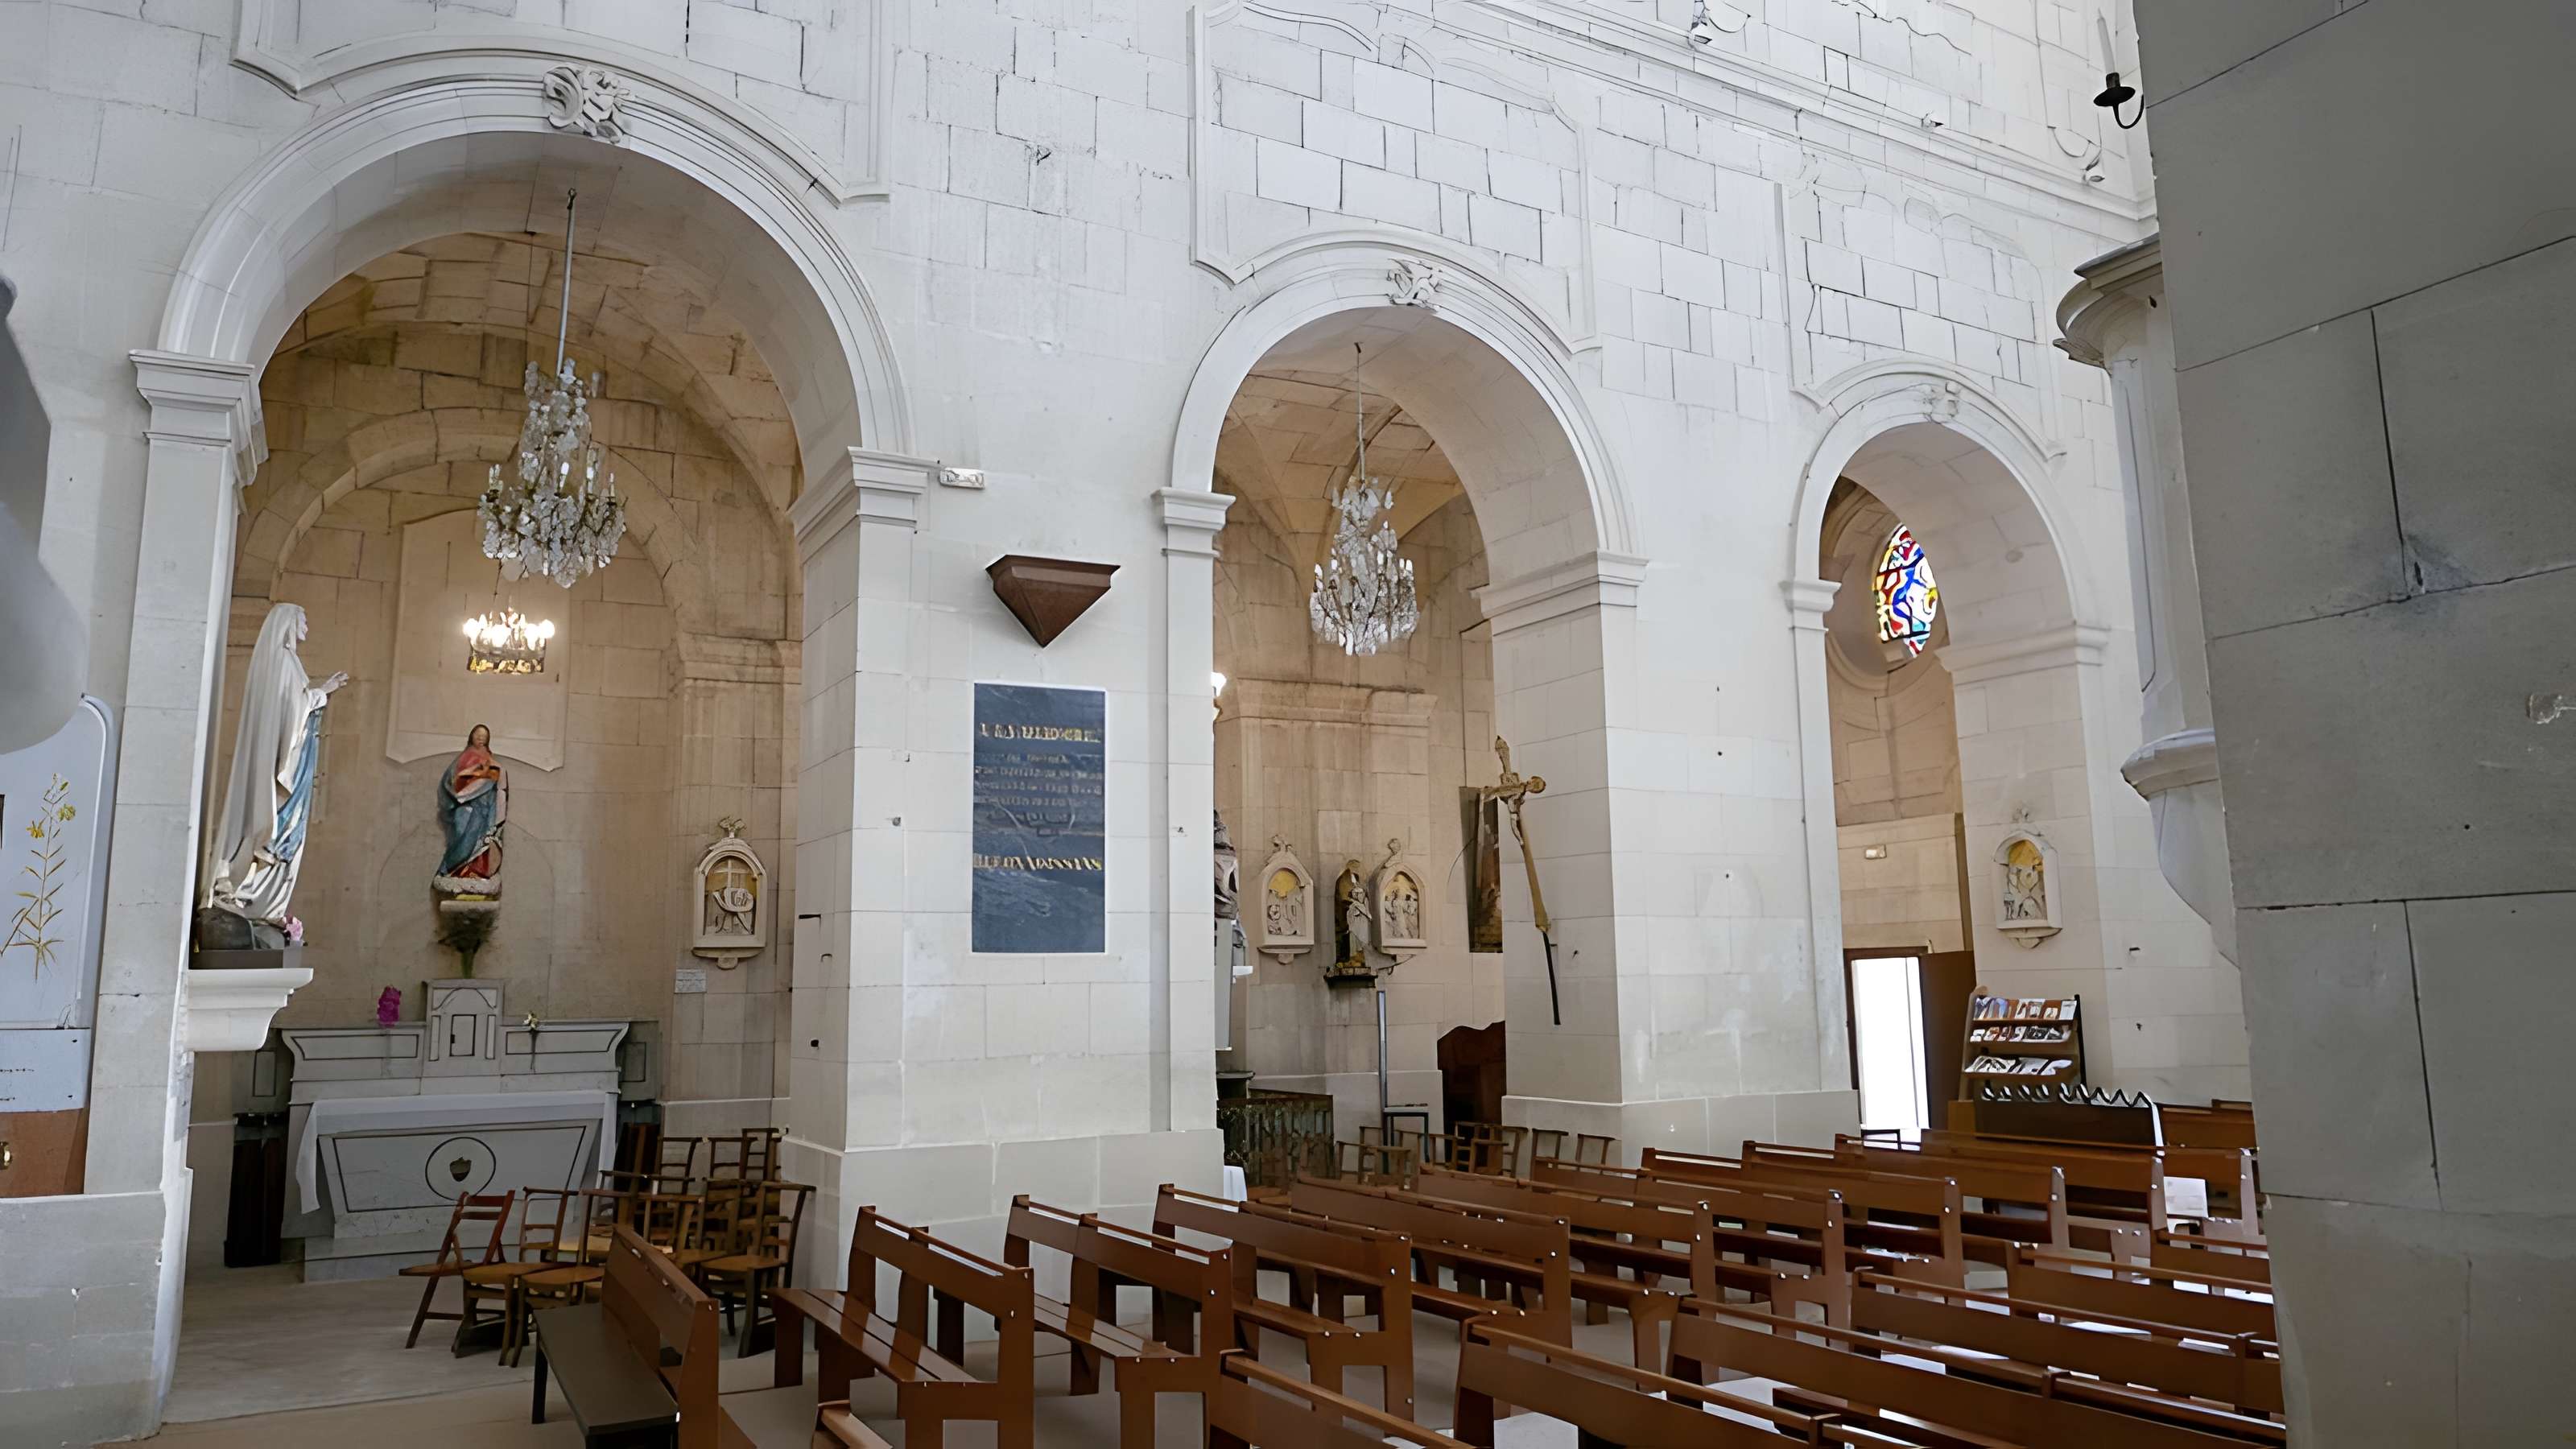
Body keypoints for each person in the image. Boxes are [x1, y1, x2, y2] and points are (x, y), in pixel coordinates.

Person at [205, 603, 346, 926]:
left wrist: (318, 693)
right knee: (279, 823)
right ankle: (247, 889)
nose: (306, 630)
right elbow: (293, 710)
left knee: (288, 826)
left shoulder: (287, 661)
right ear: (288, 624)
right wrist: (322, 692)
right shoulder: (283, 661)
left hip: (299, 753)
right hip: (288, 758)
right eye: (303, 622)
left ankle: (262, 899)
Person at [435, 724, 507, 890]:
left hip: (483, 811)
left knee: (481, 842)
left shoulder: (491, 761)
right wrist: (485, 774)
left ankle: (474, 871)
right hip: (465, 808)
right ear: (471, 737)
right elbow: (454, 782)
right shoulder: (463, 759)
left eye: (484, 737)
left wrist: (492, 774)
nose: (481, 739)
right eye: (478, 736)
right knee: (461, 835)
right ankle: (452, 870)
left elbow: (497, 786)